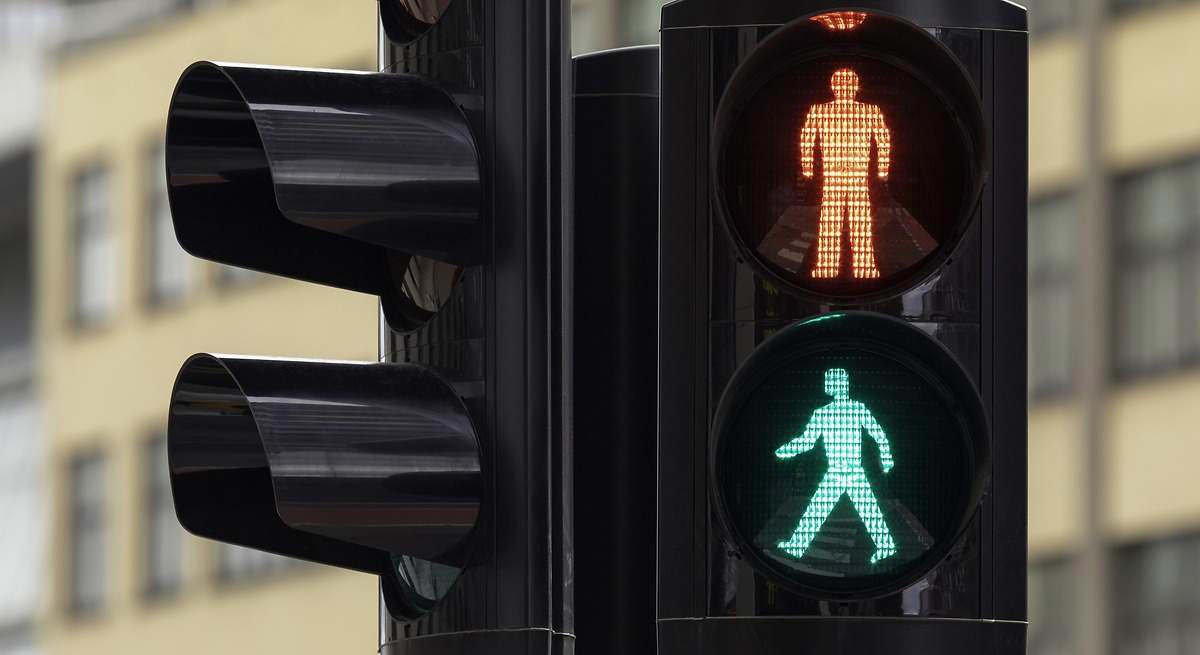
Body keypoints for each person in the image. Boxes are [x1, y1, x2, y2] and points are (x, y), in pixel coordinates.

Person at [775, 368, 898, 564]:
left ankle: (886, 547)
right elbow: (807, 441)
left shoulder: (854, 409)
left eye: (830, 380)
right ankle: (797, 545)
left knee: (866, 511)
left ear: (839, 384)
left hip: (852, 472)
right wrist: (787, 450)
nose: (827, 384)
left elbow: (878, 433)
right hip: (838, 472)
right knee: (819, 510)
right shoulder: (824, 413)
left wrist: (886, 456)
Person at [798, 68, 892, 279]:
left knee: (858, 224)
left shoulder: (871, 111)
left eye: (848, 84)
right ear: (833, 87)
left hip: (855, 177)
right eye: (841, 84)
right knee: (834, 223)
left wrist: (883, 169)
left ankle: (859, 268)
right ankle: (831, 267)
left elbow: (883, 139)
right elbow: (807, 139)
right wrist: (807, 167)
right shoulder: (819, 110)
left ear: (856, 87)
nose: (845, 88)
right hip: (835, 177)